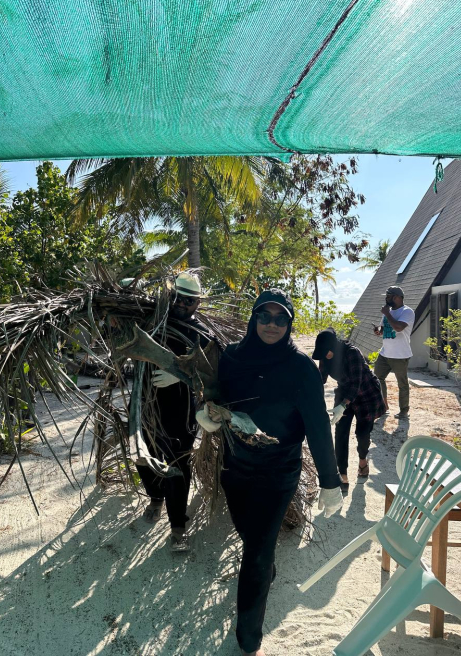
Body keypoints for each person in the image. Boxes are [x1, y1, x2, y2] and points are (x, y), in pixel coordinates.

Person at [196, 289, 342, 656]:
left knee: (257, 554)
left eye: (281, 319)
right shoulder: (230, 357)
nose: (272, 325)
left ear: (289, 324)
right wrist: (206, 414)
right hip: (234, 465)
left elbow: (318, 426)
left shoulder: (301, 369)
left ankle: (249, 642)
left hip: (278, 472)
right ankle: (264, 571)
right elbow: (214, 397)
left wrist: (330, 481)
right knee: (250, 538)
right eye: (265, 316)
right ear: (253, 318)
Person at [135, 271, 211, 552]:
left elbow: (211, 368)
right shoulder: (152, 320)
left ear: (197, 304)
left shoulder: (201, 332)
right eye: (178, 297)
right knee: (145, 457)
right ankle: (155, 497)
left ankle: (178, 526)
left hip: (181, 410)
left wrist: (180, 376)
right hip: (147, 403)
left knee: (178, 464)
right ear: (170, 296)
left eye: (189, 300)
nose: (182, 304)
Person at [312, 330, 385, 493]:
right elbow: (319, 379)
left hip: (366, 393)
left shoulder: (352, 353)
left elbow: (356, 383)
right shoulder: (325, 355)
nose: (325, 357)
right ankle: (343, 473)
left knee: (362, 434)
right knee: (341, 432)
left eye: (326, 354)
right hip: (345, 391)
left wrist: (343, 405)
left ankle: (362, 461)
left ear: (333, 347)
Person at [373, 286, 415, 420]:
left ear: (397, 297)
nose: (386, 299)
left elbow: (398, 328)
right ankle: (383, 406)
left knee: (402, 384)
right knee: (377, 378)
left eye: (388, 296)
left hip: (400, 355)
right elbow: (384, 328)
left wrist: (387, 314)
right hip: (385, 353)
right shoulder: (388, 311)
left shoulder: (407, 312)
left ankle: (404, 411)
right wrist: (378, 331)